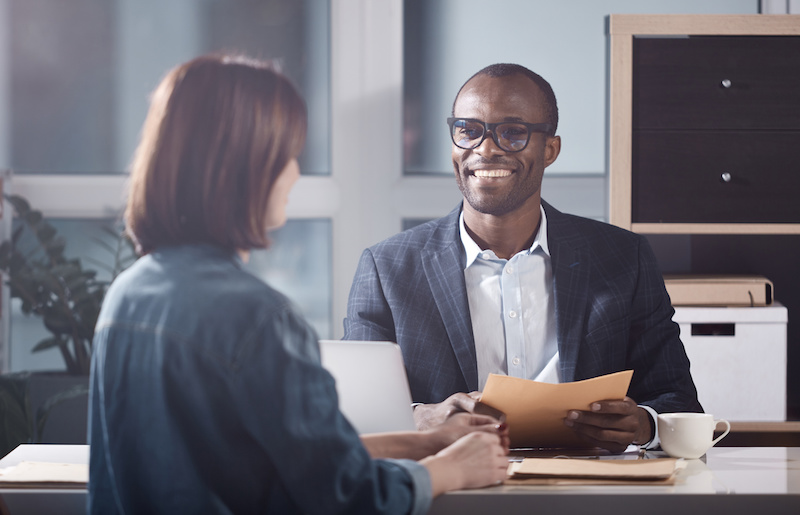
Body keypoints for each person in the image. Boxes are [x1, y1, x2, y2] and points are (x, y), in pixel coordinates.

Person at [87, 54, 509, 515]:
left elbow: (258, 459)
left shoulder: (127, 294)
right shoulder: (255, 317)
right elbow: (343, 495)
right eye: (286, 157)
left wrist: (425, 443)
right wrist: (452, 470)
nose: (294, 175)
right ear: (243, 170)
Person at [344, 63, 702, 453]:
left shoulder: (623, 258)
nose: (485, 148)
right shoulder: (387, 269)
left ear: (550, 150)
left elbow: (678, 401)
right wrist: (418, 418)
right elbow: (355, 418)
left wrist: (641, 425)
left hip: (586, 490)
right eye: (468, 130)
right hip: (453, 494)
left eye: (512, 132)